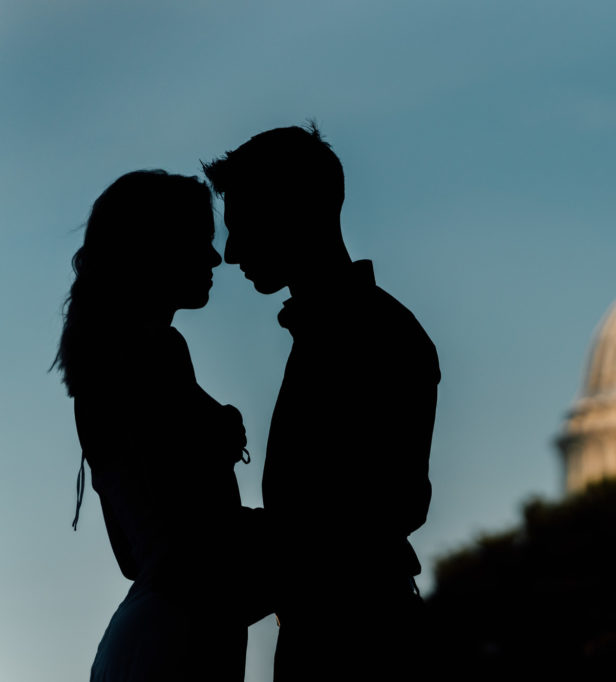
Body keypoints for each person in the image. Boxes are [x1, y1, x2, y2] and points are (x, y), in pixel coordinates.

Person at [203, 125, 440, 678]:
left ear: (293, 211)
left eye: (242, 227)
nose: (231, 252)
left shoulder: (371, 335)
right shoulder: (354, 329)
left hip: (354, 641)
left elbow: (384, 505)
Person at [54, 170, 271, 681]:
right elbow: (196, 547)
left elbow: (137, 555)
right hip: (183, 638)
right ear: (154, 249)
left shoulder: (101, 373)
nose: (216, 258)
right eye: (200, 242)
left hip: (148, 630)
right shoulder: (157, 353)